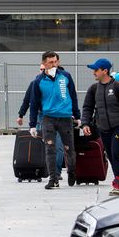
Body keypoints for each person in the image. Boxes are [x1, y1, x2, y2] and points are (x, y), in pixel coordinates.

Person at [81, 58, 119, 196]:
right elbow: (87, 108)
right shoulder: (93, 89)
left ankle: (118, 183)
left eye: (96, 70)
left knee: (116, 153)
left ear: (105, 71)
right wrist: (85, 123)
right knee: (111, 156)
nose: (93, 73)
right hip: (103, 128)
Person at [29, 51, 80, 190]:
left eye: (55, 61)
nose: (53, 64)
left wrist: (78, 116)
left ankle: (71, 172)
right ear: (44, 64)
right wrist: (32, 124)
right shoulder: (38, 81)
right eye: (50, 62)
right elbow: (33, 103)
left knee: (69, 149)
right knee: (50, 148)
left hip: (65, 118)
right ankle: (53, 178)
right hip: (48, 118)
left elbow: (73, 96)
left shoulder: (66, 76)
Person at [18, 64, 65, 178]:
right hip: (41, 117)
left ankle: (56, 172)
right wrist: (21, 115)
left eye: (46, 69)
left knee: (58, 146)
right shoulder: (35, 83)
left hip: (58, 116)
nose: (43, 71)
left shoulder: (60, 83)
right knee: (41, 145)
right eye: (42, 69)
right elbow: (27, 100)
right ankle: (41, 168)